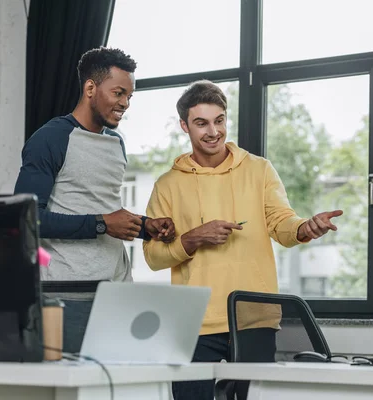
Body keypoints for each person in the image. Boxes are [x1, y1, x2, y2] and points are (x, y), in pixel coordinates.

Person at [143, 80, 342, 399]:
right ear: (184, 126)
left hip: (254, 317)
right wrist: (192, 239)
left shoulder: (260, 170)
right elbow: (153, 257)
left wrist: (306, 228)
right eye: (201, 123)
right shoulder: (167, 185)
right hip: (193, 320)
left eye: (219, 120)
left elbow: (282, 224)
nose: (213, 131)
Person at [14, 47, 175, 354]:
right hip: (66, 298)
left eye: (129, 96)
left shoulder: (117, 143)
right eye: (118, 93)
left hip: (117, 293)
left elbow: (102, 209)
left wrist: (145, 226)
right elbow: (28, 217)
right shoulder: (50, 139)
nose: (125, 103)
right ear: (90, 88)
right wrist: (102, 224)